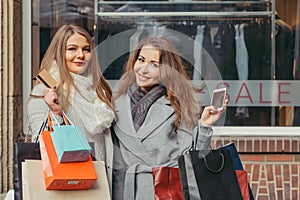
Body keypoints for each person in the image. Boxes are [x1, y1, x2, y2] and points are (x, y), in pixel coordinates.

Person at [111, 36, 228, 200]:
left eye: (154, 64)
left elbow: (190, 159)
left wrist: (204, 126)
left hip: (161, 192)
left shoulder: (180, 105)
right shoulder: (114, 101)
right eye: (141, 60)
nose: (143, 69)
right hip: (122, 191)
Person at [27, 24, 115, 162]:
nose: (80, 55)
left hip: (101, 177)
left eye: (86, 49)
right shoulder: (47, 90)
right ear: (59, 53)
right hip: (69, 179)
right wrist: (56, 114)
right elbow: (41, 145)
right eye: (72, 49)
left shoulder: (98, 90)